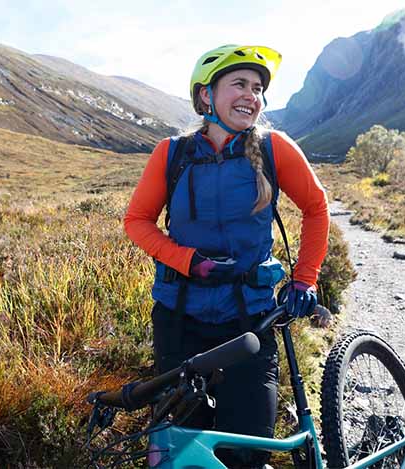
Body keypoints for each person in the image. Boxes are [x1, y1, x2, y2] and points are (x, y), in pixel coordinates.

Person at [123, 44, 329, 469]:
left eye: (257, 88)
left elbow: (316, 207)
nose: (250, 95)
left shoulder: (274, 148)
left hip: (249, 323)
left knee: (245, 454)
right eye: (238, 84)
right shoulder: (172, 154)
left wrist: (304, 279)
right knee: (179, 454)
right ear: (205, 96)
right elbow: (137, 220)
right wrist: (186, 260)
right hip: (180, 321)